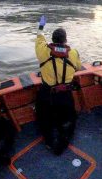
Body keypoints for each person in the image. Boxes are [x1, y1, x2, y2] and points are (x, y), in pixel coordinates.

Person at [35, 16, 82, 155]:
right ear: (65, 40)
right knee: (67, 118)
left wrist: (42, 24)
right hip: (65, 95)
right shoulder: (73, 53)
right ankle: (63, 142)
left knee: (44, 117)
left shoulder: (43, 51)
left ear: (52, 40)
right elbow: (78, 68)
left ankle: (49, 142)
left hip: (47, 93)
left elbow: (39, 36)